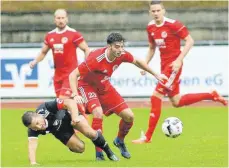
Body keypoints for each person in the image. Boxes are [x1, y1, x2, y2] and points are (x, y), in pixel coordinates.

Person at [132, 1, 228, 144]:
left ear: (164, 10)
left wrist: (178, 60)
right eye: (153, 11)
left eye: (159, 10)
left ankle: (147, 137)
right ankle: (211, 95)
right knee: (176, 101)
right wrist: (145, 64)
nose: (156, 13)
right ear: (150, 13)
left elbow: (189, 41)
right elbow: (152, 48)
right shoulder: (151, 27)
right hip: (163, 66)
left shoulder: (173, 24)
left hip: (173, 66)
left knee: (156, 96)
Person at [69, 32, 168, 160]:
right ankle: (99, 152)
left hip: (104, 86)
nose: (120, 50)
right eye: (117, 46)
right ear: (109, 46)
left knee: (129, 116)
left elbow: (137, 61)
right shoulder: (95, 58)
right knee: (98, 113)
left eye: (122, 46)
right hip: (87, 86)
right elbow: (73, 75)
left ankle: (119, 140)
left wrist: (156, 74)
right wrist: (75, 94)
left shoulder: (122, 54)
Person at [22, 98, 119, 165]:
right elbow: (32, 146)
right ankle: (71, 146)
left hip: (69, 115)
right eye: (36, 127)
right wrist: (33, 163)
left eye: (38, 122)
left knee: (90, 132)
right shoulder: (33, 130)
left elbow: (70, 102)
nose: (40, 126)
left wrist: (74, 117)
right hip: (60, 131)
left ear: (37, 115)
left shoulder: (45, 107)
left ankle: (109, 152)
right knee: (80, 148)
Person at [29, 9, 90, 100]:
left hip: (70, 74)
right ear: (54, 20)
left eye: (63, 18)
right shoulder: (50, 35)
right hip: (57, 76)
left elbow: (86, 49)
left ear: (67, 19)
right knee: (62, 105)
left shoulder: (73, 34)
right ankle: (82, 114)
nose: (61, 20)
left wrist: (86, 66)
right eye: (58, 18)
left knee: (63, 99)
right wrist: (35, 61)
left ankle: (81, 113)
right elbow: (43, 52)